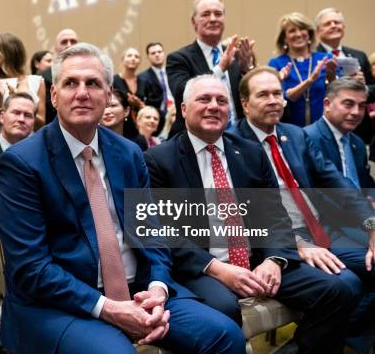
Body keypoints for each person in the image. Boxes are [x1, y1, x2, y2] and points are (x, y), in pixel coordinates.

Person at [0, 42, 245, 354]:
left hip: (139, 290)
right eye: (71, 83)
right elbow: (31, 268)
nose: (82, 92)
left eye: (93, 83)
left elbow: (152, 233)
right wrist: (108, 308)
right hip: (59, 303)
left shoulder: (128, 153)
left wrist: (157, 288)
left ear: (108, 95)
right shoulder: (22, 163)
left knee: (225, 335)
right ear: (55, 96)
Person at [145, 75, 359, 354]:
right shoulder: (158, 160)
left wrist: (274, 259)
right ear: (184, 109)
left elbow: (275, 215)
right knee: (223, 311)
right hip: (205, 267)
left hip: (257, 259)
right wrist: (219, 269)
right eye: (204, 99)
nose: (213, 106)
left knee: (337, 291)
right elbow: (162, 232)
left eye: (221, 101)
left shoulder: (249, 152)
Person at [231, 67, 375, 351]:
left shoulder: (295, 135)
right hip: (279, 245)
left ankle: (349, 341)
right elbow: (241, 213)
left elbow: (338, 184)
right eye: (263, 95)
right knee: (345, 287)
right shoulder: (232, 145)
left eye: (277, 93)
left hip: (322, 233)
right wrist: (295, 244)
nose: (273, 100)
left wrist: (372, 227)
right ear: (245, 103)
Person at [166, 0, 254, 135]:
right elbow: (183, 93)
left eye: (218, 14)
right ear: (194, 22)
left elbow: (249, 97)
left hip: (238, 138)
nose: (213, 19)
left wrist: (247, 69)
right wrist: (220, 69)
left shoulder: (235, 55)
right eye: (206, 14)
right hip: (195, 138)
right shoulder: (178, 58)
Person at [0, 92, 36, 268]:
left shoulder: (42, 158)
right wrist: (7, 216)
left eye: (28, 115)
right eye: (16, 112)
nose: (21, 119)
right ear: (2, 117)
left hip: (38, 253)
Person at [315, 7, 374, 145]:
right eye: (328, 23)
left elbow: (373, 89)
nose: (333, 26)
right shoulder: (313, 58)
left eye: (337, 22)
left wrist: (362, 87)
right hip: (326, 127)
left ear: (344, 27)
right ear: (318, 31)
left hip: (359, 129)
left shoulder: (359, 55)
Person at [304, 77, 374, 189]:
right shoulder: (307, 139)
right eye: (348, 104)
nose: (356, 112)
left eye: (361, 106)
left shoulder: (358, 143)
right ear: (327, 104)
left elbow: (366, 185)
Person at [268, 12, 336, 127]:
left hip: (323, 127)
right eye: (292, 31)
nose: (298, 34)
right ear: (284, 38)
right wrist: (310, 80)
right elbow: (287, 96)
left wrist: (332, 76)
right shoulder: (276, 63)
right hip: (289, 128)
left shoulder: (325, 59)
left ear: (309, 34)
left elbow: (336, 92)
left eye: (302, 29)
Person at [0, 33, 45, 136]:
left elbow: (40, 125)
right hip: (0, 148)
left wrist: (20, 100)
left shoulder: (36, 82)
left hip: (30, 146)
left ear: (7, 52)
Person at [41, 28, 79, 124]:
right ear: (55, 48)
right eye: (64, 42)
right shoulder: (43, 77)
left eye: (73, 42)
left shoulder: (90, 73)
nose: (69, 45)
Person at [113, 47, 162, 117]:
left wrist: (139, 104)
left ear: (139, 62)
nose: (133, 58)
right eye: (129, 56)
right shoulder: (113, 81)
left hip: (141, 123)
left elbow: (153, 108)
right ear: (123, 60)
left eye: (136, 57)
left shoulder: (145, 82)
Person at [138, 43, 171, 133]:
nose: (157, 55)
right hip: (156, 118)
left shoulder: (173, 72)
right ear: (148, 57)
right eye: (153, 53)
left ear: (164, 54)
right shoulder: (142, 77)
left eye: (159, 52)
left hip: (175, 114)